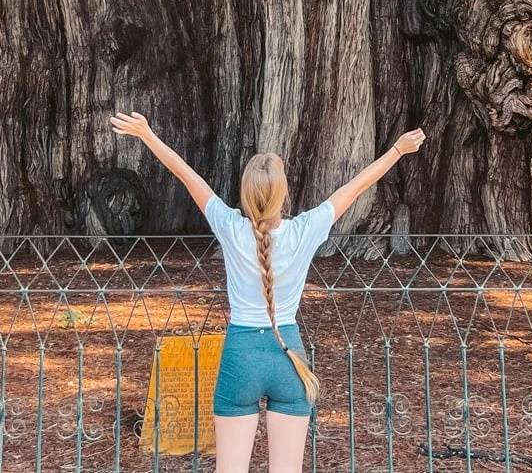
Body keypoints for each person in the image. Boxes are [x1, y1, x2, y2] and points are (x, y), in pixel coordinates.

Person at [111, 111, 426, 473]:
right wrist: (398, 151)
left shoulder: (229, 226)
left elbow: (185, 174)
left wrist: (147, 134)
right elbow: (354, 187)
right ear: (284, 195)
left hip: (240, 357)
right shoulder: (305, 230)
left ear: (245, 195)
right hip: (289, 357)